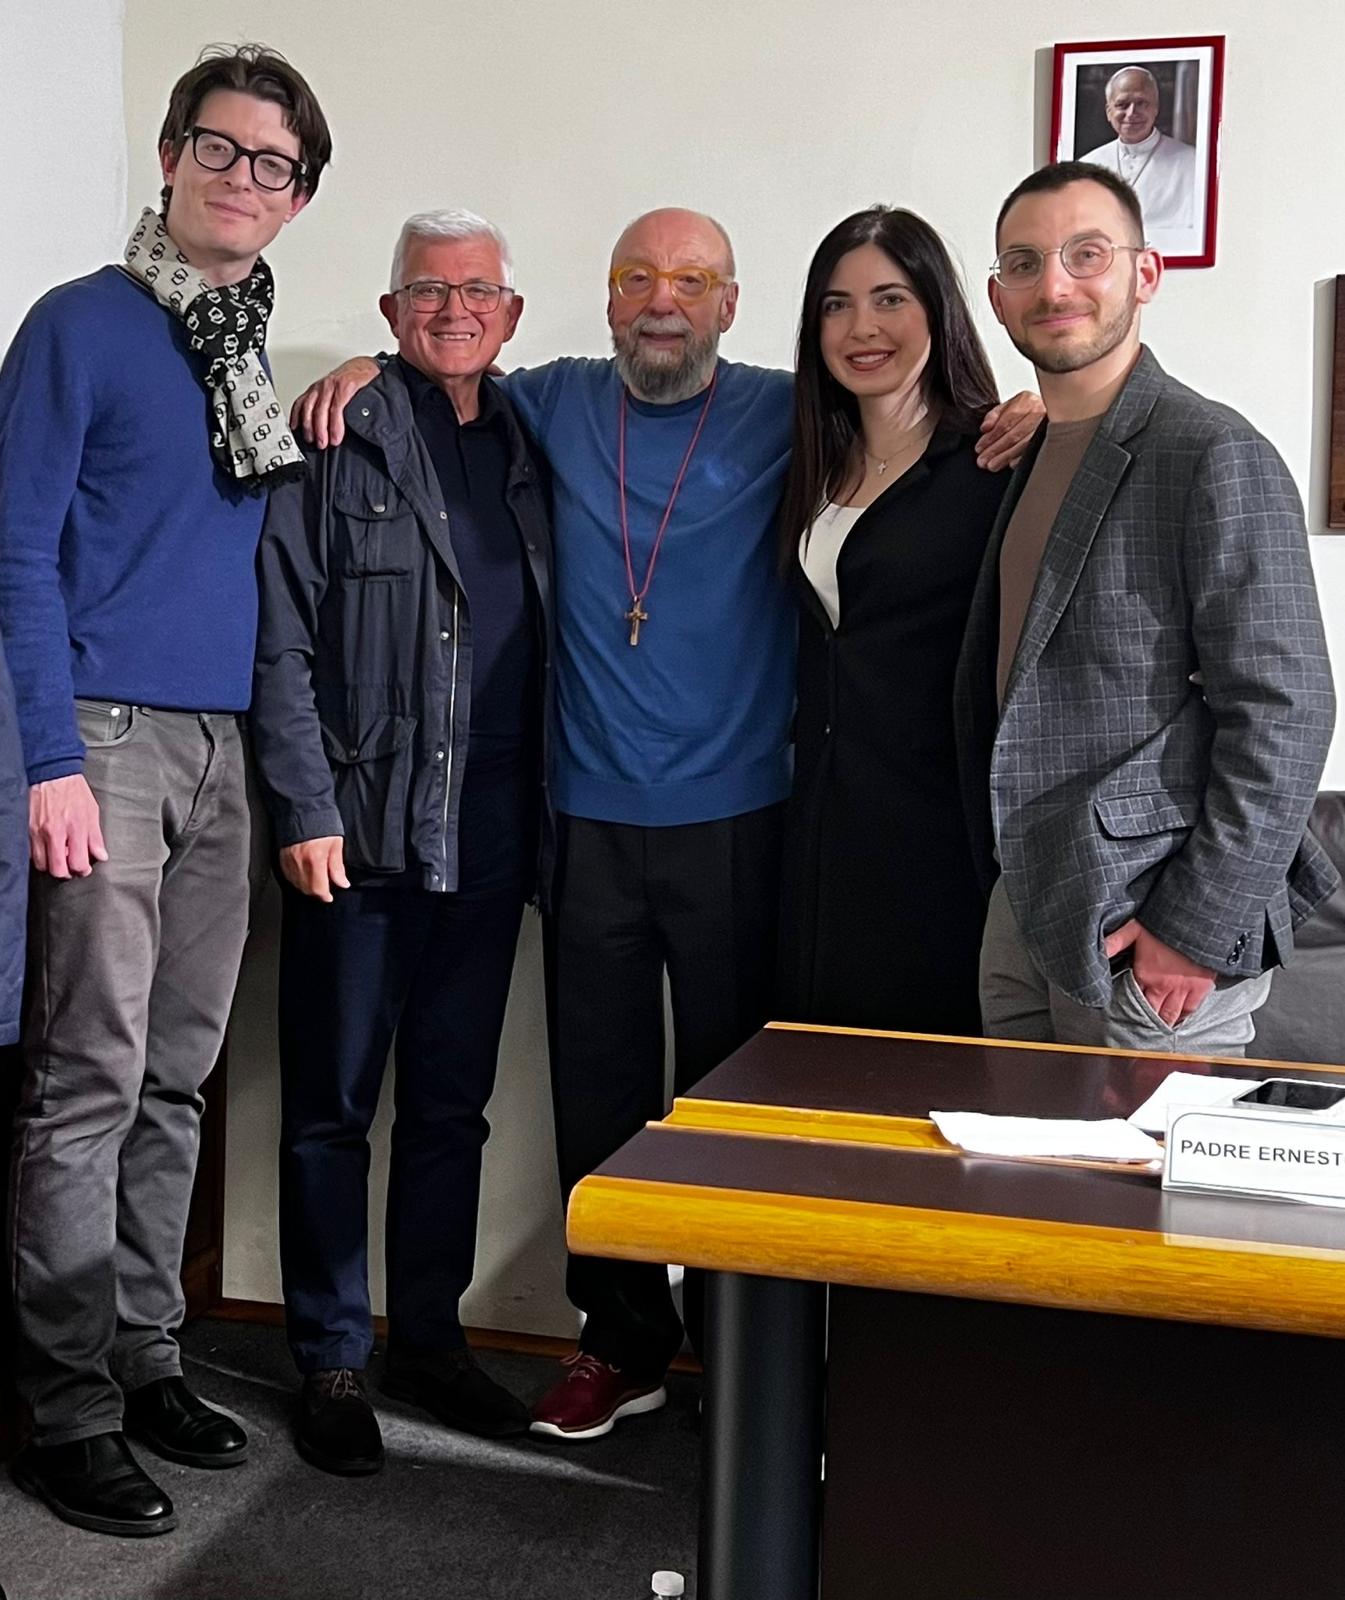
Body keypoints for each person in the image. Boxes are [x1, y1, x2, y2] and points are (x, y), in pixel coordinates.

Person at [290, 208, 1040, 1442]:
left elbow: (912, 429)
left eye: (691, 281)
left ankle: (745, 1352)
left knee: (735, 1101)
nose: (661, 301)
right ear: (602, 297)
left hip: (743, 819)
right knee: (597, 1100)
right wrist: (367, 366)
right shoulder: (551, 401)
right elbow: (450, 359)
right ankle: (620, 1339)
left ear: (731, 305)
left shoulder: (792, 416)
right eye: (636, 276)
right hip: (582, 822)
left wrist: (1022, 412)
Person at [0, 45, 331, 1537]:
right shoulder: (79, 324)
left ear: (296, 195)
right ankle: (64, 1407)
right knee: (86, 1078)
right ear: (171, 155)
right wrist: (49, 762)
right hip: (103, 737)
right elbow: (15, 552)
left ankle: (145, 1358)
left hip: (223, 749)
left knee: (175, 1076)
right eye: (220, 147)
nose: (241, 178)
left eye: (273, 163)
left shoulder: (244, 351)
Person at [251, 208, 551, 1475]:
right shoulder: (334, 434)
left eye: (477, 290)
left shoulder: (538, 439)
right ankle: (329, 1355)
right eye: (427, 290)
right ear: (389, 314)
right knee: (330, 1108)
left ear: (512, 313)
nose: (453, 309)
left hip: (495, 834)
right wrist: (303, 806)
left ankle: (427, 1337)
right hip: (360, 834)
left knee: (449, 1106)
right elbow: (279, 639)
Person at [956, 160, 1337, 1056]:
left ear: (1145, 274)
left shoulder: (1212, 452)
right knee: (1009, 1153)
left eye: (1085, 254)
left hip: (1147, 929)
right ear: (998, 298)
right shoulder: (1030, 455)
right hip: (1024, 908)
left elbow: (1286, 711)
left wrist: (1195, 929)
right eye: (1023, 263)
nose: (1054, 285)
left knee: (1142, 1160)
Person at [776, 207, 1022, 1035]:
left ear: (936, 310)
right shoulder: (813, 460)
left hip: (939, 839)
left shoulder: (994, 460)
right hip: (818, 829)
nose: (861, 328)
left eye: (889, 299)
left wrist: (1052, 422)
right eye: (836, 305)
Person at [1080, 67, 1198, 233]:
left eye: (1141, 103)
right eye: (1122, 105)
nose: (1131, 113)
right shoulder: (1086, 165)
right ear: (1109, 112)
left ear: (1155, 108)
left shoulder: (1192, 162)